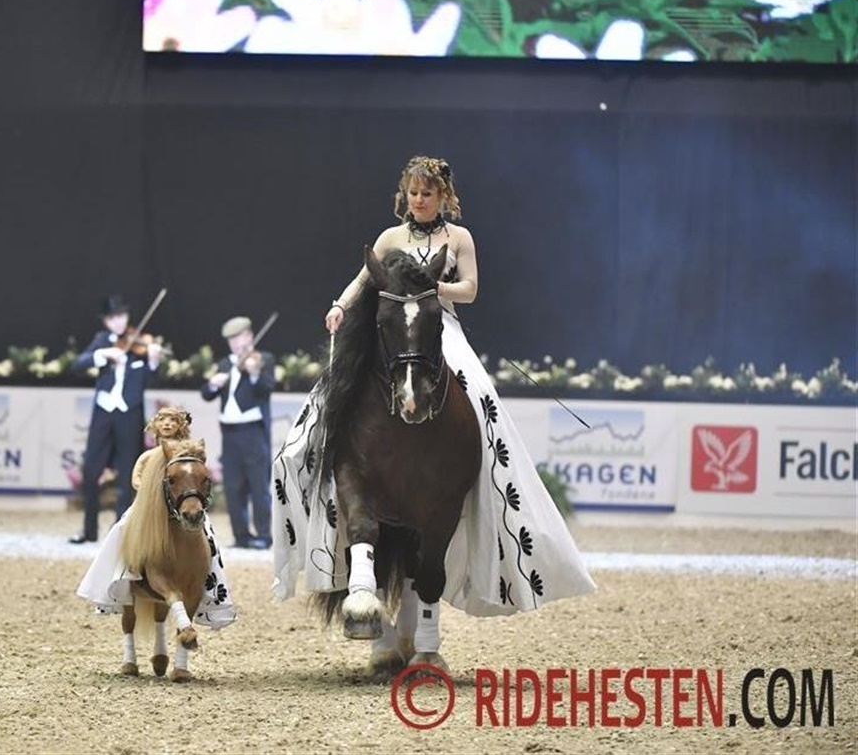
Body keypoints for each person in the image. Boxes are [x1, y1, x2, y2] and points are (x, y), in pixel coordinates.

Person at [273, 155, 595, 616]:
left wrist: (430, 292)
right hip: (393, 334)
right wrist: (340, 306)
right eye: (413, 193)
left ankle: (496, 487)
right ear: (403, 195)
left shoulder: (459, 238)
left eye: (427, 193)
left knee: (481, 403)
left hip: (439, 328)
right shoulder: (389, 237)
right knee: (328, 402)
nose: (419, 200)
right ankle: (309, 462)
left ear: (443, 196)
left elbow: (470, 289)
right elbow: (363, 280)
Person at [76, 406, 237, 629]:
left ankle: (212, 580)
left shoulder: (186, 453)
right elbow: (136, 480)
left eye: (173, 420)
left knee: (208, 535)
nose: (167, 424)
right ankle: (120, 571)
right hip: (148, 505)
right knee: (122, 528)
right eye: (162, 420)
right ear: (155, 425)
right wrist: (151, 491)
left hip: (179, 504)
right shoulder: (148, 456)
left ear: (181, 426)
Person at [69, 295, 163, 544]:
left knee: (127, 475)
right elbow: (77, 365)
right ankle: (88, 530)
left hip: (129, 415)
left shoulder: (142, 346)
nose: (118, 322)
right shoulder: (102, 341)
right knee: (91, 470)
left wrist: (153, 361)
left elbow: (152, 381)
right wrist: (104, 354)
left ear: (127, 316)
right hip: (103, 412)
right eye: (112, 318)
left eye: (121, 316)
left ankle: (119, 534)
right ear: (106, 321)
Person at [200, 316, 276, 549]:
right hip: (229, 433)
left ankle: (263, 535)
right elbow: (206, 394)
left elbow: (267, 389)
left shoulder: (263, 359)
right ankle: (241, 536)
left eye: (239, 337)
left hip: (252, 431)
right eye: (231, 339)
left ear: (250, 336)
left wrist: (254, 374)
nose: (235, 343)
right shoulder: (225, 364)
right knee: (233, 487)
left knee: (258, 485)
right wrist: (213, 384)